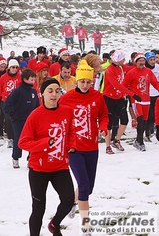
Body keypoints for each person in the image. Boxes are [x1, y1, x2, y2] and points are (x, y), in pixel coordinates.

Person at [18, 78, 76, 236]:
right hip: (39, 169)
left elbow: (71, 131)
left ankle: (54, 224)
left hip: (60, 166)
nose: (54, 94)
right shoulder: (35, 115)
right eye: (50, 91)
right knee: (38, 209)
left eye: (57, 91)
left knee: (69, 200)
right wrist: (45, 143)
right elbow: (23, 143)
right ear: (42, 93)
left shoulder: (67, 111)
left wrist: (71, 145)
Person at [60, 60, 109, 235]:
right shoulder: (67, 98)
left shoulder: (97, 96)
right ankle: (86, 225)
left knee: (88, 186)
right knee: (84, 185)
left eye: (88, 82)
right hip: (74, 148)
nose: (85, 85)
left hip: (92, 148)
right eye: (82, 81)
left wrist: (103, 127)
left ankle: (73, 203)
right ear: (77, 81)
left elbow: (104, 115)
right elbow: (58, 117)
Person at [103, 51, 139, 154]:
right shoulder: (109, 70)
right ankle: (108, 145)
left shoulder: (120, 68)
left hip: (119, 97)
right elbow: (116, 85)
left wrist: (125, 93)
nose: (124, 60)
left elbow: (121, 83)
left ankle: (117, 140)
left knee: (124, 120)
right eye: (122, 59)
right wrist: (131, 94)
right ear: (118, 59)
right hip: (109, 98)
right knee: (109, 123)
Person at [123, 52, 159, 151]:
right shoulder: (131, 72)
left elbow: (155, 83)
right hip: (137, 100)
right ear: (136, 62)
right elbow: (124, 86)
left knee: (145, 121)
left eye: (143, 60)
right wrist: (132, 95)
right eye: (140, 61)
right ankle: (140, 141)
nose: (142, 62)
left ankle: (137, 141)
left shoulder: (148, 71)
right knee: (140, 120)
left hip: (146, 99)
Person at [4, 68, 39, 168]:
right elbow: (8, 103)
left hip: (30, 120)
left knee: (32, 139)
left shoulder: (33, 91)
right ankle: (15, 157)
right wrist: (12, 114)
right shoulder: (17, 91)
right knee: (19, 139)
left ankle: (31, 158)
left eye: (34, 79)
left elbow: (37, 105)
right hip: (18, 119)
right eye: (31, 79)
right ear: (25, 79)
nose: (33, 81)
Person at [0, 59, 21, 144]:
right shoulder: (3, 77)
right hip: (6, 101)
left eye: (16, 67)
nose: (15, 69)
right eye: (13, 67)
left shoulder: (20, 77)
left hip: (17, 101)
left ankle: (17, 136)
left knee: (17, 119)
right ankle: (10, 138)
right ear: (9, 67)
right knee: (8, 119)